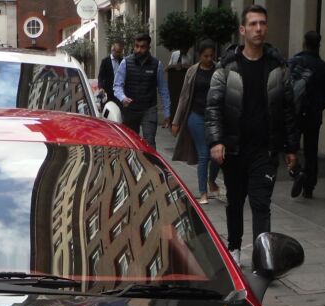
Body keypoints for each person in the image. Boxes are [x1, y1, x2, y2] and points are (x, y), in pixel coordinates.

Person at [207, 4, 298, 264]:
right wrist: (216, 141)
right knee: (235, 201)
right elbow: (213, 108)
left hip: (264, 149)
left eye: (263, 23)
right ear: (243, 29)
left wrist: (291, 148)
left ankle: (263, 256)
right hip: (234, 148)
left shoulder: (278, 68)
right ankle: (234, 247)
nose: (259, 29)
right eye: (254, 24)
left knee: (261, 203)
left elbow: (289, 110)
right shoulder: (227, 67)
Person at [171, 40, 222, 203]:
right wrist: (176, 121)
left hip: (215, 118)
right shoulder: (192, 71)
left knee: (217, 156)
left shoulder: (219, 70)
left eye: (211, 55)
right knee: (204, 154)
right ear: (199, 55)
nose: (209, 58)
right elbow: (184, 97)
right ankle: (203, 193)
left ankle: (211, 180)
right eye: (205, 55)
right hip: (196, 116)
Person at [288, 30, 325, 199]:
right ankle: (309, 186)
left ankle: (297, 171)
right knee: (311, 150)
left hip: (295, 113)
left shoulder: (294, 62)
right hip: (314, 115)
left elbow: (285, 88)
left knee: (289, 146)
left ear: (304, 43)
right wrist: (318, 105)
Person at [114, 34, 172, 148]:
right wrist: (123, 98)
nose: (139, 50)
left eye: (142, 47)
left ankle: (150, 165)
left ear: (148, 48)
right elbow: (117, 86)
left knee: (149, 143)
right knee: (130, 143)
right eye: (136, 46)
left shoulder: (157, 65)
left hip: (149, 109)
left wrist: (167, 112)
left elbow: (163, 90)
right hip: (130, 109)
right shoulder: (125, 63)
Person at [97, 40, 125, 110]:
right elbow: (101, 76)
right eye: (118, 52)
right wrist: (101, 88)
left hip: (118, 92)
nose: (119, 54)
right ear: (112, 50)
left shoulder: (122, 61)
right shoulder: (105, 61)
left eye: (120, 52)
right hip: (107, 92)